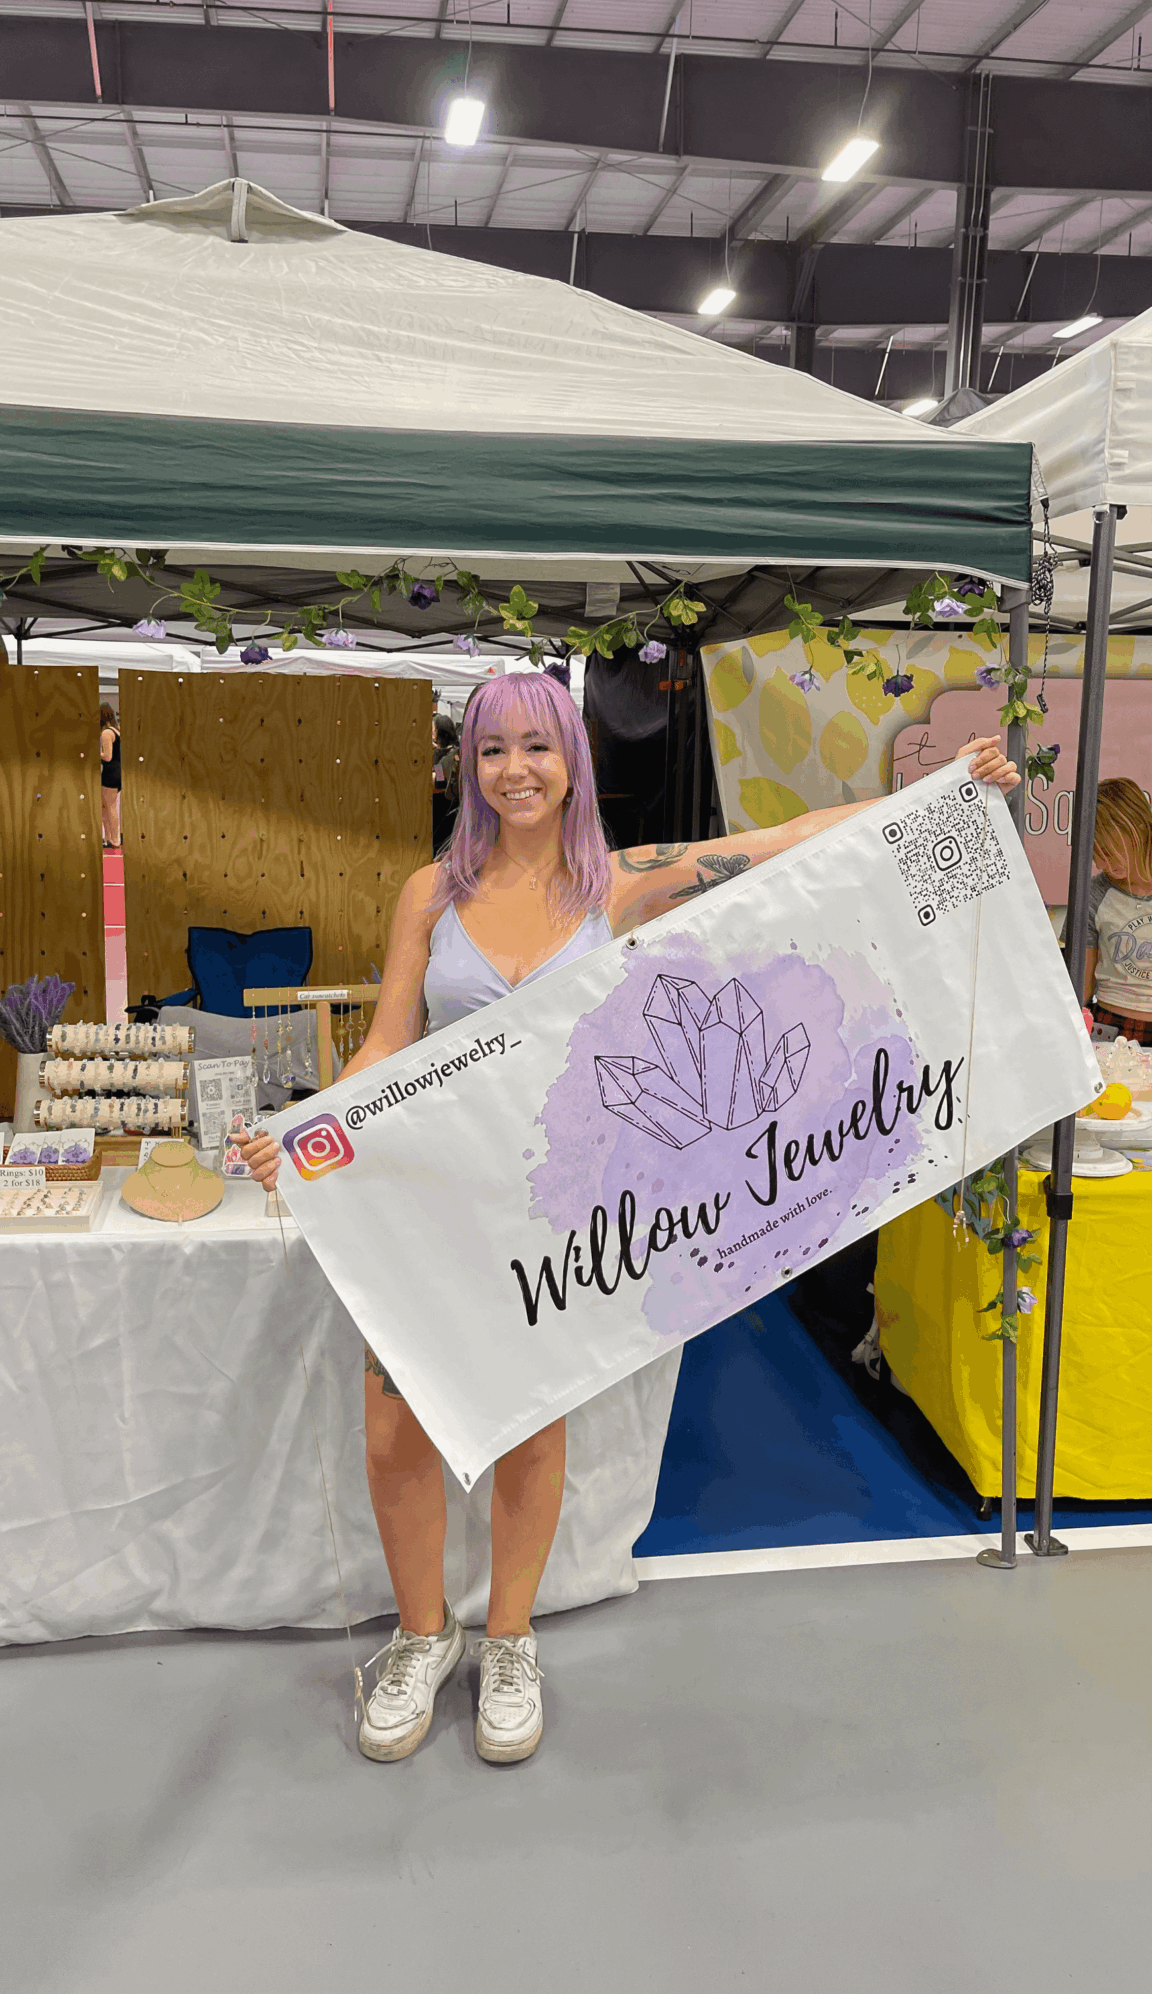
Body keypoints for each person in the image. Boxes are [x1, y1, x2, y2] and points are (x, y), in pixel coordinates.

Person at [240, 672, 1018, 1767]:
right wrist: (306, 1131)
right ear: (468, 766)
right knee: (393, 1429)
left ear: (574, 762)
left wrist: (938, 797)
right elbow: (386, 1043)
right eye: (492, 748)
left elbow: (781, 843)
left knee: (529, 1421)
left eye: (537, 746)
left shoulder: (615, 883)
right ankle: (423, 1632)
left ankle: (509, 1638)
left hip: (554, 1204)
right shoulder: (430, 893)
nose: (515, 769)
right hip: (434, 1202)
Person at [1083, 777, 1152, 1046]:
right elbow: (1082, 986)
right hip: (1111, 1025)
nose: (1102, 863)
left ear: (1138, 830)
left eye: (1109, 852)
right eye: (1095, 854)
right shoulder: (1094, 893)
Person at [431, 710, 460, 849]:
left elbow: (439, 781)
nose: (432, 733)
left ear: (439, 732)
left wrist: (436, 757)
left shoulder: (440, 756)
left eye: (434, 730)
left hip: (442, 807)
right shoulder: (457, 750)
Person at [99, 701, 121, 849]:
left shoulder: (106, 733)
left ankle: (114, 839)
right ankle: (108, 838)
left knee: (110, 807)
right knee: (105, 806)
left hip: (110, 772)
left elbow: (107, 757)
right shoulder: (117, 731)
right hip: (117, 772)